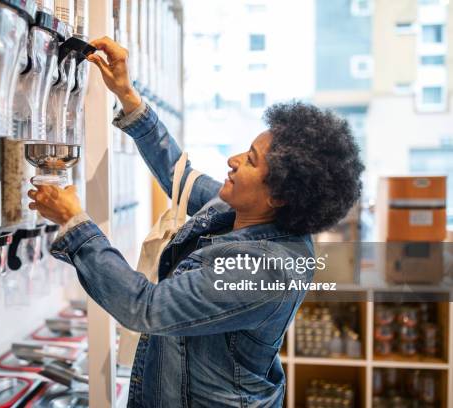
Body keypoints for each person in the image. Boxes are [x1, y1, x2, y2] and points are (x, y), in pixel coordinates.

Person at [28, 37, 364, 407]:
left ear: (280, 194)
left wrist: (74, 222)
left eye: (251, 160)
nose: (234, 160)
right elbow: (181, 179)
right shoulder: (248, 212)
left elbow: (147, 308)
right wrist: (127, 94)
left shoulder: (265, 268)